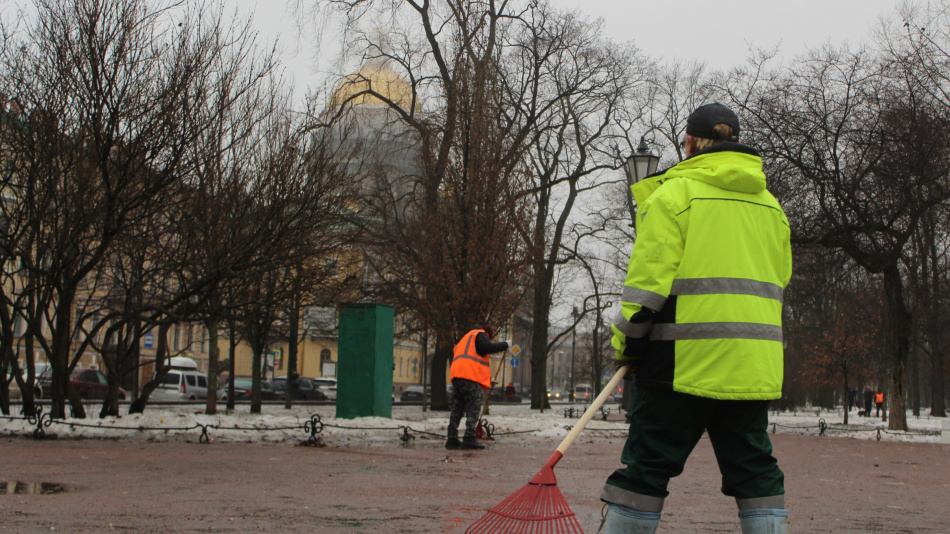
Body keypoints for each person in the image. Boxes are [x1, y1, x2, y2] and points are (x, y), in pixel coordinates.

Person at [601, 103, 792, 534]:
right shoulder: (772, 209)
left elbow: (645, 290)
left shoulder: (674, 195)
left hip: (677, 365)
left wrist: (626, 345)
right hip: (749, 367)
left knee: (645, 471)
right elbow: (778, 282)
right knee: (756, 473)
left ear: (688, 143)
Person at [445, 325, 509, 450]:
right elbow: (487, 348)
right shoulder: (480, 334)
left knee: (458, 406)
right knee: (474, 405)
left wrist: (488, 380)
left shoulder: (465, 339)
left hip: (457, 376)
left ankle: (451, 438)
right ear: (488, 334)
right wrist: (504, 345)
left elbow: (472, 363)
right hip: (468, 377)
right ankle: (469, 438)